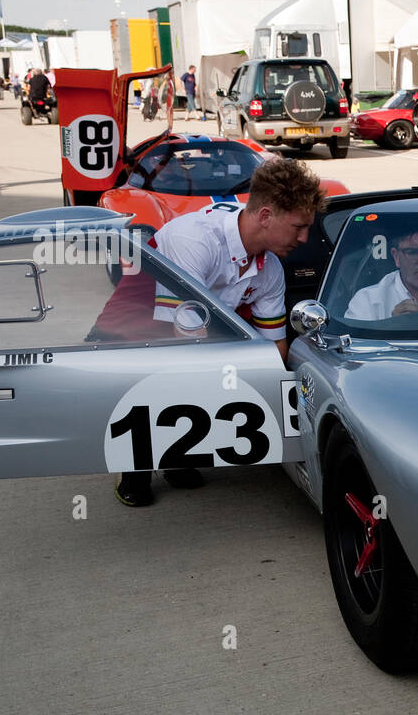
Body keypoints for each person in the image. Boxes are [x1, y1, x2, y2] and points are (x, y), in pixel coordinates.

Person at [113, 157, 326, 507]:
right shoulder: (194, 240)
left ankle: (177, 457)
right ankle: (134, 469)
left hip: (204, 319)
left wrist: (266, 388)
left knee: (220, 372)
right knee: (153, 381)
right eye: (298, 226)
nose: (304, 238)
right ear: (266, 215)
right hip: (141, 312)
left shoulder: (271, 267)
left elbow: (276, 347)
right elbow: (186, 341)